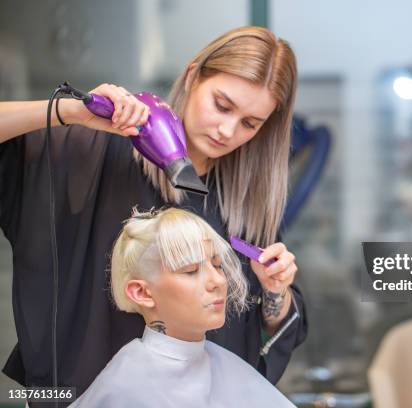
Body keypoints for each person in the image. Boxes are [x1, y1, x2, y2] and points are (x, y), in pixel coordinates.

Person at [0, 26, 307, 404]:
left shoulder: (245, 201)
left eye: (250, 123)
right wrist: (73, 112)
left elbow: (271, 327)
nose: (227, 130)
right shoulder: (90, 155)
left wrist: (276, 293)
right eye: (222, 105)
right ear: (193, 76)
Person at [70, 207, 295, 407]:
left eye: (217, 265)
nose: (218, 281)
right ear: (142, 292)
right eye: (190, 270)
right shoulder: (124, 388)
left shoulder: (227, 368)